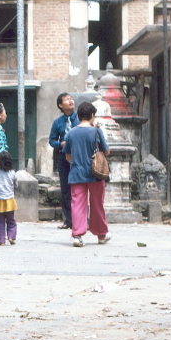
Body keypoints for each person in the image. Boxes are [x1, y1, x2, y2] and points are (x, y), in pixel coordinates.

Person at [63, 102, 110, 247]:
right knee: (97, 204)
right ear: (91, 115)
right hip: (95, 174)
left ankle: (77, 235)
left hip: (76, 173)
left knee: (77, 204)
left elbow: (67, 156)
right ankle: (101, 235)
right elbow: (106, 152)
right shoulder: (96, 131)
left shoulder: (71, 132)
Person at [48, 93, 79, 230]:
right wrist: (60, 144)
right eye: (67, 100)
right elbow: (51, 140)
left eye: (71, 98)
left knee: (79, 187)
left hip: (78, 156)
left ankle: (83, 219)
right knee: (65, 188)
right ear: (60, 105)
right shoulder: (58, 122)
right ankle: (68, 220)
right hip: (63, 156)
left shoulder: (80, 119)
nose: (71, 101)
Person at [0, 150, 17, 246]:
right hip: (9, 200)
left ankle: (1, 241)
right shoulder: (13, 172)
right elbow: (15, 184)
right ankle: (11, 237)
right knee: (11, 220)